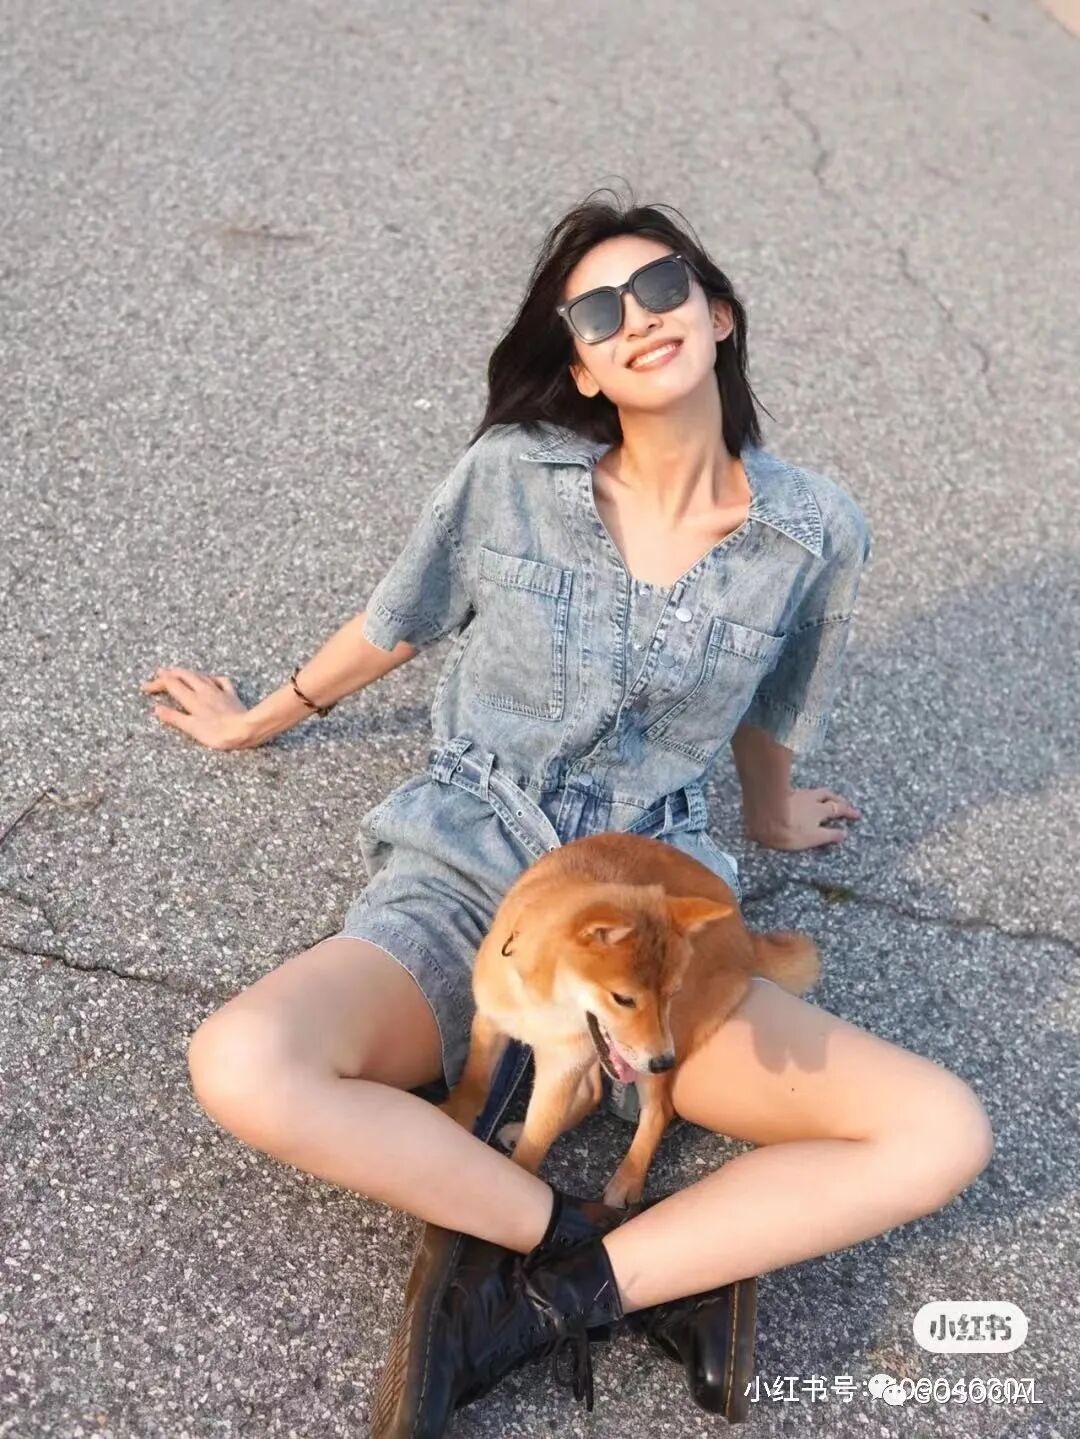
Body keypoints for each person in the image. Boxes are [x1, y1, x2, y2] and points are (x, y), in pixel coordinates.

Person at [143, 188, 993, 1437]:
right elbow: (399, 617)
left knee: (940, 1130)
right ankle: (579, 1232)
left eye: (661, 287)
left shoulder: (814, 529)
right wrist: (259, 716)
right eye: (598, 313)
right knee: (244, 1060)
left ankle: (558, 1298)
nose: (636, 317)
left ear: (718, 314)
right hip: (467, 861)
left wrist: (768, 815)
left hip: (655, 904)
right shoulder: (512, 476)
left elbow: (779, 701)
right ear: (585, 368)